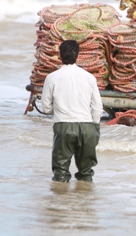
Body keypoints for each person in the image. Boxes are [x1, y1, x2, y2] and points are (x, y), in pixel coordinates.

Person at [41, 40, 103, 183]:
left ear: (60, 55)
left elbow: (46, 108)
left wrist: (58, 111)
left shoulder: (52, 77)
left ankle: (62, 201)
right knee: (86, 173)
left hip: (64, 125)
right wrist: (94, 126)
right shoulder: (89, 77)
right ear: (78, 55)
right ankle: (85, 201)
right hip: (87, 127)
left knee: (60, 172)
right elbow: (97, 107)